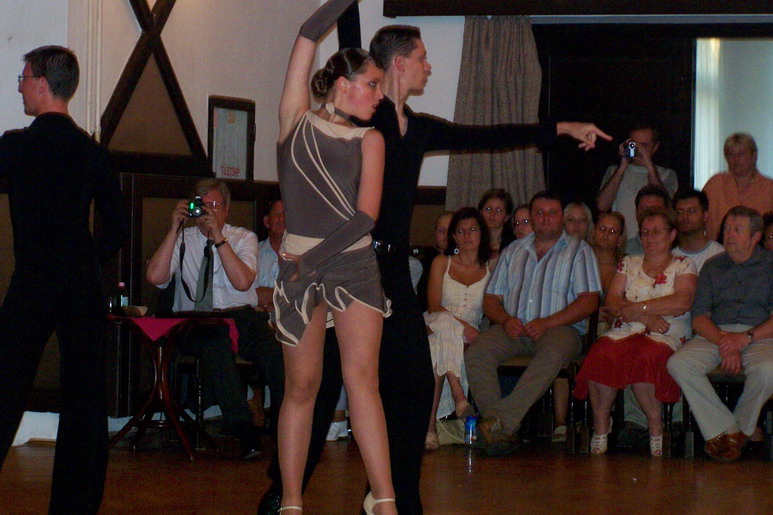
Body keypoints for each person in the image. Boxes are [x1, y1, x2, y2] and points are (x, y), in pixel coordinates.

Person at [259, 13, 611, 514]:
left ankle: (395, 497)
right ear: (398, 64)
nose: (429, 67)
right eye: (422, 58)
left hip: (387, 272)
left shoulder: (417, 128)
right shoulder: (364, 120)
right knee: (321, 384)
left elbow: (486, 137)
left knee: (412, 384)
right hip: (341, 265)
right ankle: (284, 492)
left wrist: (561, 127)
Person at [272, 1, 394, 512]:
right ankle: (291, 502)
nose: (381, 95)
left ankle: (384, 501)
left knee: (362, 382)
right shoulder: (294, 120)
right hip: (299, 268)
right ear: (343, 83)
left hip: (350, 265)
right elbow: (308, 30)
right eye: (373, 84)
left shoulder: (371, 139)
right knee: (301, 388)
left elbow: (365, 218)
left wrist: (309, 262)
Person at [0, 45, 127, 514]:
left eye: (23, 77)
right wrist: (83, 260)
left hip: (33, 279)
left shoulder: (16, 146)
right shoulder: (93, 152)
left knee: (4, 383)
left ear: (41, 84)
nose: (19, 86)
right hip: (80, 284)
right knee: (86, 399)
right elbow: (117, 229)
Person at [145, 179, 275, 460]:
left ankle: (289, 425)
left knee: (274, 349)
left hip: (240, 316)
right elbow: (155, 277)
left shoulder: (243, 237)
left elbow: (242, 282)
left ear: (226, 209)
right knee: (215, 345)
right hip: (197, 321)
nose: (208, 211)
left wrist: (218, 237)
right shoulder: (183, 239)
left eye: (214, 205)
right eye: (202, 205)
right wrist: (174, 229)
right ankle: (245, 433)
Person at [465, 191, 601, 456]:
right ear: (532, 216)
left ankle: (499, 422)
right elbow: (491, 299)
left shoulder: (579, 251)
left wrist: (547, 323)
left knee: (551, 355)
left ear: (561, 217)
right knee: (476, 354)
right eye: (539, 213)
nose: (545, 218)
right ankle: (499, 428)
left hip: (560, 329)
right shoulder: (513, 250)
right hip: (513, 328)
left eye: (552, 213)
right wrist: (504, 319)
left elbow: (589, 301)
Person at [574, 207, 697, 456]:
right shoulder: (629, 262)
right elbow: (612, 300)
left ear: (672, 234)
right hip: (626, 329)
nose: (649, 238)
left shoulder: (683, 264)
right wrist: (645, 317)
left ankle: (655, 428)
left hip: (665, 333)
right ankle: (601, 426)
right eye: (645, 232)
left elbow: (681, 302)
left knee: (645, 356)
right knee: (600, 353)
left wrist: (639, 308)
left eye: (656, 232)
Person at [667, 206, 773, 462]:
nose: (729, 234)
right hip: (716, 334)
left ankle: (734, 432)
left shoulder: (771, 265)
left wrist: (744, 339)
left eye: (737, 230)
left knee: (768, 370)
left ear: (755, 237)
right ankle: (729, 430)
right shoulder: (712, 266)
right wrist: (726, 342)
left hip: (759, 335)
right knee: (679, 364)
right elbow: (699, 318)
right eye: (727, 228)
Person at [620, 189, 724, 447]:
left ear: (705, 215)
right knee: (632, 340)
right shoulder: (665, 253)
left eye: (692, 211)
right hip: (661, 321)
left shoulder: (718, 255)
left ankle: (677, 420)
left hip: (703, 324)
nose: (685, 217)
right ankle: (637, 422)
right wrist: (645, 315)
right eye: (680, 212)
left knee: (671, 344)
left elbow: (689, 302)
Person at [424, 207, 491, 450]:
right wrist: (462, 328)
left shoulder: (491, 267)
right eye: (460, 231)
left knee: (437, 349)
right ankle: (458, 395)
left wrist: (467, 331)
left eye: (472, 229)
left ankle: (430, 428)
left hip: (462, 335)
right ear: (453, 236)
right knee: (444, 325)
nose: (467, 236)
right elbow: (434, 306)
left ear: (481, 233)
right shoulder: (442, 262)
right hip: (435, 322)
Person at [597, 123, 678, 236]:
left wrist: (649, 166)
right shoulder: (614, 171)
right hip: (622, 242)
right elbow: (602, 206)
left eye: (644, 145)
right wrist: (622, 165)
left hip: (653, 239)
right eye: (634, 144)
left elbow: (666, 207)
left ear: (655, 147)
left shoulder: (667, 174)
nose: (639, 150)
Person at [702, 132, 773, 241]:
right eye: (731, 154)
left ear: (754, 156)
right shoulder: (715, 184)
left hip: (759, 250)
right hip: (718, 249)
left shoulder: (769, 188)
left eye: (741, 153)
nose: (736, 159)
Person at [625, 184, 671, 255]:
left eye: (655, 209)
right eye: (644, 208)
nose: (649, 213)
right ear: (636, 213)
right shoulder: (624, 250)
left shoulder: (676, 252)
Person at [478, 188, 515, 263]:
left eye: (498, 210)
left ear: (506, 216)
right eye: (488, 209)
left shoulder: (513, 244)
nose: (492, 214)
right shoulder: (473, 240)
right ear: (481, 212)